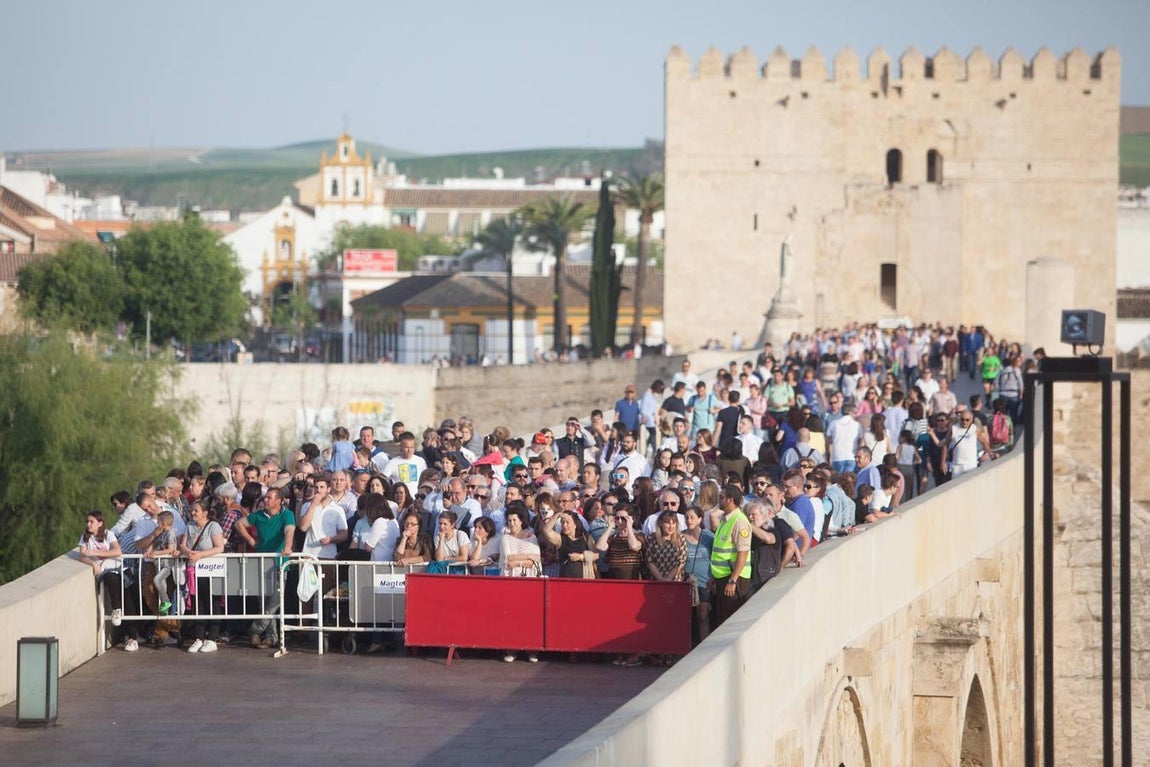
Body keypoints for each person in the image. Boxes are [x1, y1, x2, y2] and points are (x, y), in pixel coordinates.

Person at [179, 500, 226, 653]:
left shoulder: (213, 526)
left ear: (205, 513)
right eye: (192, 510)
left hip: (211, 569)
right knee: (197, 603)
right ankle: (199, 637)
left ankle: (212, 637)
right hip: (194, 569)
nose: (193, 513)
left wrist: (201, 555)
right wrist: (188, 553)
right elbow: (183, 545)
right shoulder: (189, 526)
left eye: (196, 511)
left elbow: (219, 547)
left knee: (212, 601)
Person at [709, 485, 752, 628]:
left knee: (730, 621)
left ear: (730, 500)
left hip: (734, 578)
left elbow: (743, 553)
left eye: (721, 497)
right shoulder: (725, 520)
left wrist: (733, 580)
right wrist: (714, 576)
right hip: (723, 576)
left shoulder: (739, 521)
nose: (718, 500)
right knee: (722, 618)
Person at [78, 511, 124, 631]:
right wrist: (93, 563)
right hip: (102, 571)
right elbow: (82, 555)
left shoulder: (108, 534)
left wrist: (95, 553)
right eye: (87, 521)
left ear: (100, 523)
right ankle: (117, 610)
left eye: (91, 522)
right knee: (109, 578)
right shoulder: (85, 537)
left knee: (119, 581)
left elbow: (117, 551)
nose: (88, 524)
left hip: (114, 567)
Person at [682, 505, 714, 644]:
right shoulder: (681, 536)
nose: (689, 520)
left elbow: (716, 557)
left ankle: (704, 647)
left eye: (692, 517)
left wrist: (714, 578)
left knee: (703, 616)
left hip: (704, 582)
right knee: (685, 617)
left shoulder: (708, 537)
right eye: (686, 517)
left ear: (700, 519)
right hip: (686, 582)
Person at [539, 510, 598, 579]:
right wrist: (557, 515)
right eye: (562, 522)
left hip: (585, 578)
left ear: (575, 524)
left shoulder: (586, 537)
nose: (564, 525)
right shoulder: (560, 539)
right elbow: (546, 531)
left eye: (567, 522)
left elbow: (596, 555)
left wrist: (581, 557)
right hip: (566, 579)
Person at [595, 502, 645, 580]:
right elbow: (600, 546)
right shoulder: (613, 537)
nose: (620, 521)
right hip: (614, 576)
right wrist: (609, 528)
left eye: (623, 518)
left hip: (632, 576)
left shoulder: (638, 535)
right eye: (617, 518)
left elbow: (634, 546)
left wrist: (629, 527)